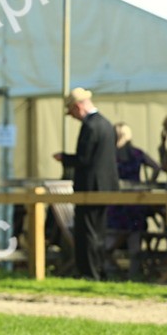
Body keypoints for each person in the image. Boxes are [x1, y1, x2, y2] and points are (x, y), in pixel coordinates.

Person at [52, 87, 118, 280]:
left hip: (89, 187)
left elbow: (84, 158)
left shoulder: (90, 126)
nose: (72, 116)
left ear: (78, 106)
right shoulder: (106, 124)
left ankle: (89, 272)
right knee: (99, 231)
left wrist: (64, 158)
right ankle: (100, 269)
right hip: (105, 186)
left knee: (86, 232)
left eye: (72, 111)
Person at [105, 123, 161, 279]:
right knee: (134, 239)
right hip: (135, 201)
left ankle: (111, 269)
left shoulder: (110, 154)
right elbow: (156, 167)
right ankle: (132, 273)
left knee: (111, 237)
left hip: (117, 201)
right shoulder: (137, 154)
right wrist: (148, 184)